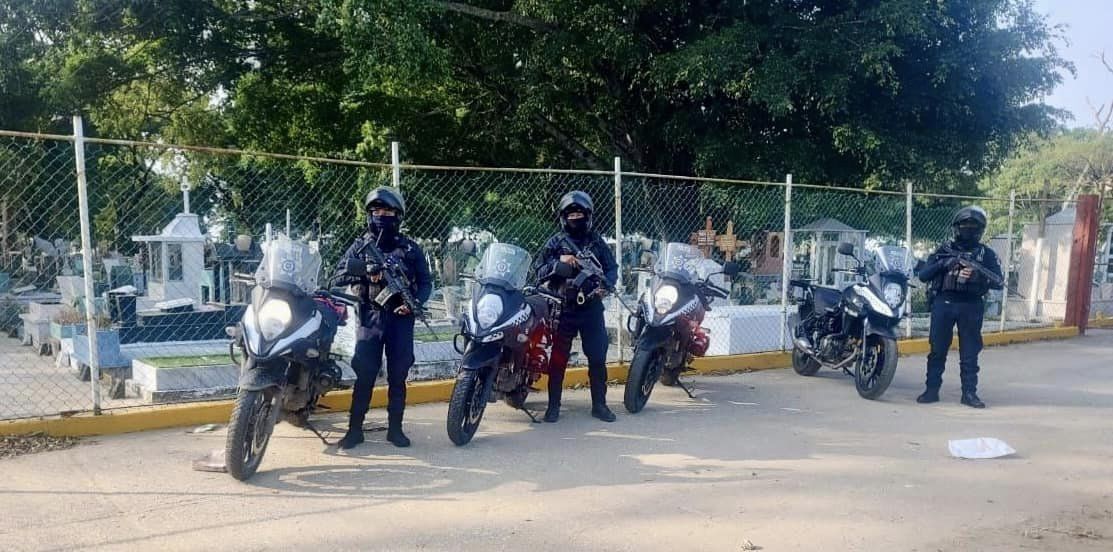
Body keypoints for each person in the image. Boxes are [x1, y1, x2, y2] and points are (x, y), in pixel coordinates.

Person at [333, 186, 432, 449]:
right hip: (371, 318)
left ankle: (395, 430)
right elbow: (337, 276)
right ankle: (355, 430)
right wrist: (366, 271)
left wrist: (414, 304)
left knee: (398, 375)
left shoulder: (410, 249)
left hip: (401, 320)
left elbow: (425, 283)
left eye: (387, 211)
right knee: (365, 374)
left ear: (397, 215)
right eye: (376, 211)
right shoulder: (360, 245)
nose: (381, 216)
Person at [533, 190, 619, 423]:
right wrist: (557, 263)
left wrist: (605, 287)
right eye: (571, 214)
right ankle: (553, 407)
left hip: (591, 308)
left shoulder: (597, 241)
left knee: (597, 357)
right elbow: (537, 271)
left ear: (588, 216)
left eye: (579, 214)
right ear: (563, 217)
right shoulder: (555, 243)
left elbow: (612, 269)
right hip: (564, 309)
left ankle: (599, 405)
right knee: (558, 359)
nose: (575, 218)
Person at [915, 206, 1004, 409]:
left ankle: (969, 393)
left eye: (973, 227)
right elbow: (923, 275)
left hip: (971, 305)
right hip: (944, 304)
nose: (968, 230)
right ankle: (931, 390)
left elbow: (999, 282)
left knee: (970, 353)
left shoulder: (986, 254)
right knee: (937, 350)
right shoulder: (943, 250)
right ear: (956, 228)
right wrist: (946, 264)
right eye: (965, 226)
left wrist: (976, 274)